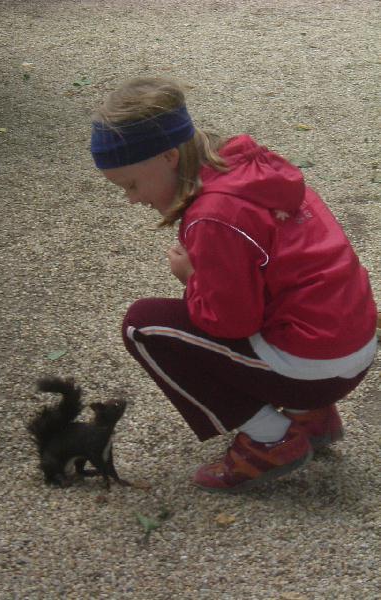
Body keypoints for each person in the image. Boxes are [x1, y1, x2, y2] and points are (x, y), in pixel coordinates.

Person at [90, 76, 378, 493]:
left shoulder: (213, 215)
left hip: (317, 365)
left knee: (143, 325)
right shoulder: (247, 169)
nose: (132, 199)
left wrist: (191, 280)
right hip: (352, 345)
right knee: (271, 300)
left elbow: (230, 322)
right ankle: (308, 414)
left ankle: (270, 440)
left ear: (169, 156)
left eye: (131, 185)